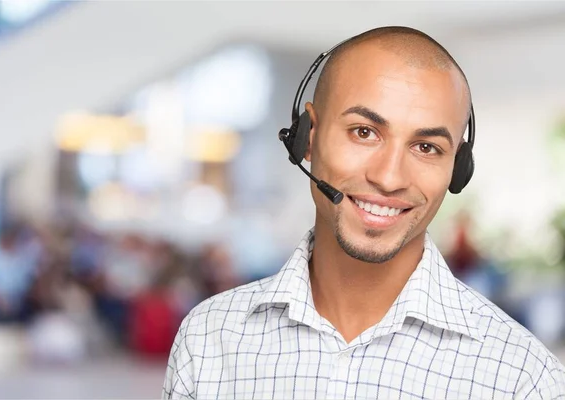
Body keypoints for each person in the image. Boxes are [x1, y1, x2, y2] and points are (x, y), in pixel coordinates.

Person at [162, 26, 565, 399]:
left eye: (426, 147)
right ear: (306, 138)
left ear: (457, 170)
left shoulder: (520, 377)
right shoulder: (209, 339)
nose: (389, 178)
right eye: (364, 132)